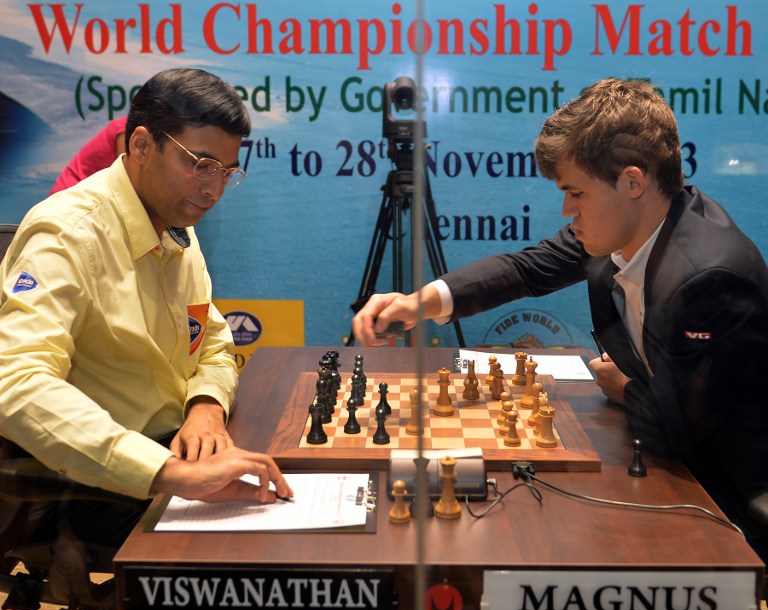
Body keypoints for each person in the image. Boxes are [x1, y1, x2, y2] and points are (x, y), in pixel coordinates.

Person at [353, 77, 768, 561]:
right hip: (664, 460)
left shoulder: (707, 278)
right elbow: (526, 268)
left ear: (633, 182)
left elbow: (673, 430)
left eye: (577, 193)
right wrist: (419, 302)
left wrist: (623, 387)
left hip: (720, 495)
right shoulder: (629, 226)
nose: (568, 210)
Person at [0, 68, 292, 550]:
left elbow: (214, 346)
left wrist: (205, 407)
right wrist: (169, 472)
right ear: (140, 145)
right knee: (254, 554)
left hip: (176, 447)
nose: (214, 190)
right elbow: (16, 383)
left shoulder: (177, 225)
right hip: (96, 483)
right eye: (201, 164)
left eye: (226, 172)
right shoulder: (67, 234)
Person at [49, 115, 127, 194]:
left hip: (83, 191)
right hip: (70, 191)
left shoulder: (125, 127)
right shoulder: (124, 128)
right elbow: (124, 178)